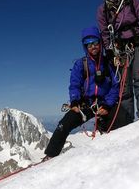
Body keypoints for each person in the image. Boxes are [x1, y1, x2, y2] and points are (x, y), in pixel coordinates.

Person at [43, 26, 128, 160]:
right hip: (86, 104)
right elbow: (74, 85)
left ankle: (114, 148)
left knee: (123, 118)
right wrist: (75, 101)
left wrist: (107, 105)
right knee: (63, 125)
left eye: (95, 43)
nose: (92, 47)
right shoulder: (80, 64)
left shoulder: (108, 63)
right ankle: (50, 155)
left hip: (104, 103)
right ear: (85, 47)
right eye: (88, 44)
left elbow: (115, 86)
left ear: (100, 43)